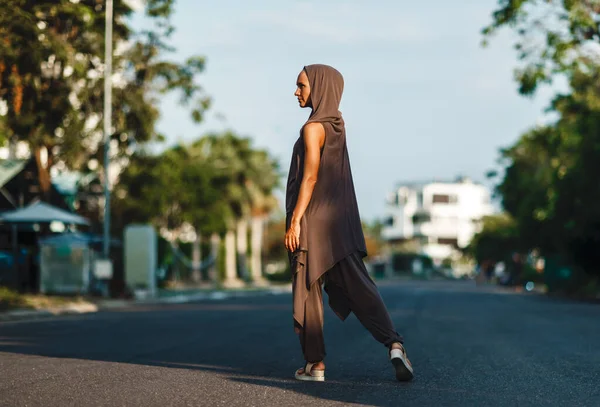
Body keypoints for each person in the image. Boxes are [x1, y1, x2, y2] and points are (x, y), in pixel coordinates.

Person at [284, 64, 413, 383]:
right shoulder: (337, 124)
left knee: (308, 290)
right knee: (361, 287)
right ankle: (394, 344)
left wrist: (296, 221)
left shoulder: (312, 128)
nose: (296, 92)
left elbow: (311, 176)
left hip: (313, 222)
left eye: (302, 86)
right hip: (339, 225)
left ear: (320, 87)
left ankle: (315, 365)